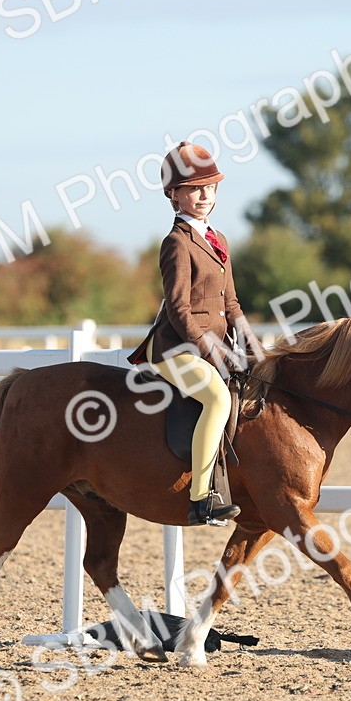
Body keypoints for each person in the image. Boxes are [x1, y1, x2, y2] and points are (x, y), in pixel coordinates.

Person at [129, 141, 263, 526]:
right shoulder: (176, 243)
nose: (204, 195)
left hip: (217, 345)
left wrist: (254, 345)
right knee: (218, 399)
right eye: (193, 189)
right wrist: (210, 349)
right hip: (177, 349)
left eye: (210, 187)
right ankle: (201, 497)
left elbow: (232, 304)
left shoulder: (218, 240)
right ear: (175, 196)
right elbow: (178, 308)